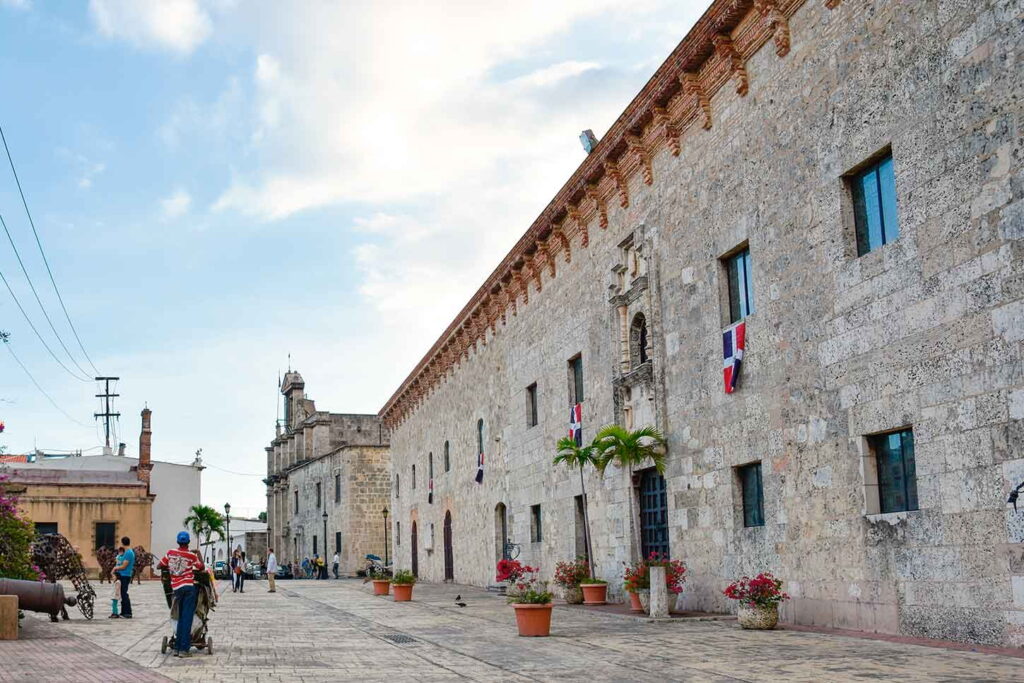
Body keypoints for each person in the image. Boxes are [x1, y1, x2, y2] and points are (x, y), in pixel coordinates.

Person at [158, 531, 205, 658]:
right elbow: (201, 567)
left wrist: (171, 565)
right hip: (189, 588)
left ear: (178, 542)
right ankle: (184, 649)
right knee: (186, 618)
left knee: (179, 618)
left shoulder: (170, 553)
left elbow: (159, 565)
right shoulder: (191, 555)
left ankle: (177, 648)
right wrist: (198, 553)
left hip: (176, 589)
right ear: (188, 542)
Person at [113, 537, 135, 619]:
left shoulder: (128, 553)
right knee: (122, 593)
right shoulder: (126, 552)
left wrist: (116, 568)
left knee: (124, 594)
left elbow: (124, 566)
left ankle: (128, 613)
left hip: (125, 575)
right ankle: (123, 612)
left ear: (122, 543)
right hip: (122, 575)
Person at [108, 546, 124, 618]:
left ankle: (115, 613)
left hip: (115, 596)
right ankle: (114, 613)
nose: (112, 577)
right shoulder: (118, 557)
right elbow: (111, 573)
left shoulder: (118, 582)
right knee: (113, 604)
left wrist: (116, 595)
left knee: (114, 604)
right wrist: (113, 570)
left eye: (113, 577)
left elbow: (117, 590)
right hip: (114, 595)